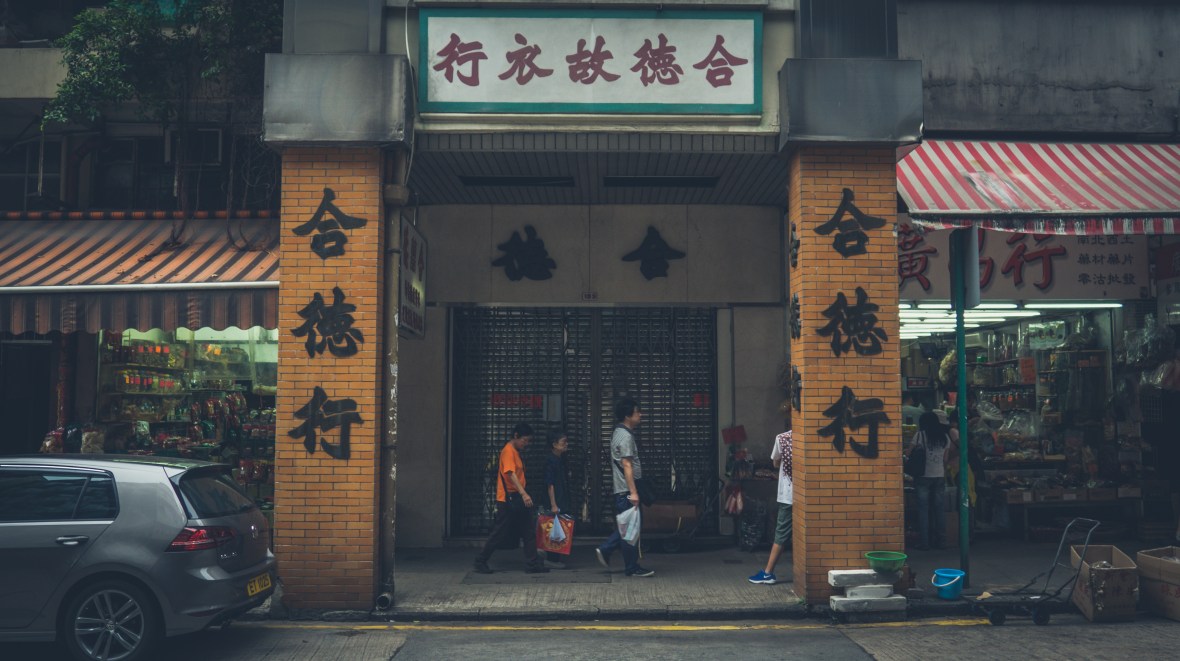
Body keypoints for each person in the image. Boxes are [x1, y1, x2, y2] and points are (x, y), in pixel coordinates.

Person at [473, 423, 549, 574]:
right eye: (524, 440)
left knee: (528, 531)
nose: (526, 444)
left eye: (528, 441)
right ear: (516, 436)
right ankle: (480, 560)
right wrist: (524, 493)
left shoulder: (515, 451)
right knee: (499, 532)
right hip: (508, 499)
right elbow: (510, 473)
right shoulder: (508, 451)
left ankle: (532, 564)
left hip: (517, 498)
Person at [595, 397, 655, 578]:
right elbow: (627, 465)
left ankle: (625, 561)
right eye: (637, 412)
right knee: (630, 528)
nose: (640, 414)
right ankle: (622, 560)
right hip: (627, 491)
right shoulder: (625, 436)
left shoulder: (619, 433)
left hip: (624, 490)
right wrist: (634, 493)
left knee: (630, 528)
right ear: (628, 416)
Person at [748, 420, 793, 585]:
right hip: (807, 494)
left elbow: (775, 463)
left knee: (781, 533)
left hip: (788, 494)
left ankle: (768, 573)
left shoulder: (782, 438)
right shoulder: (810, 439)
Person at [907, 411, 957, 550]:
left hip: (923, 476)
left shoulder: (920, 435)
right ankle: (941, 541)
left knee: (923, 510)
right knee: (939, 509)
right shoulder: (944, 437)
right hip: (939, 476)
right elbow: (945, 459)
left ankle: (925, 542)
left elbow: (908, 453)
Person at [544, 433, 571, 568]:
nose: (566, 444)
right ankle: (552, 560)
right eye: (563, 442)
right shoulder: (551, 460)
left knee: (559, 527)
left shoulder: (561, 459)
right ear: (554, 445)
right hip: (557, 499)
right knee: (554, 528)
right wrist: (553, 504)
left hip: (561, 497)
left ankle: (555, 558)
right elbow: (550, 484)